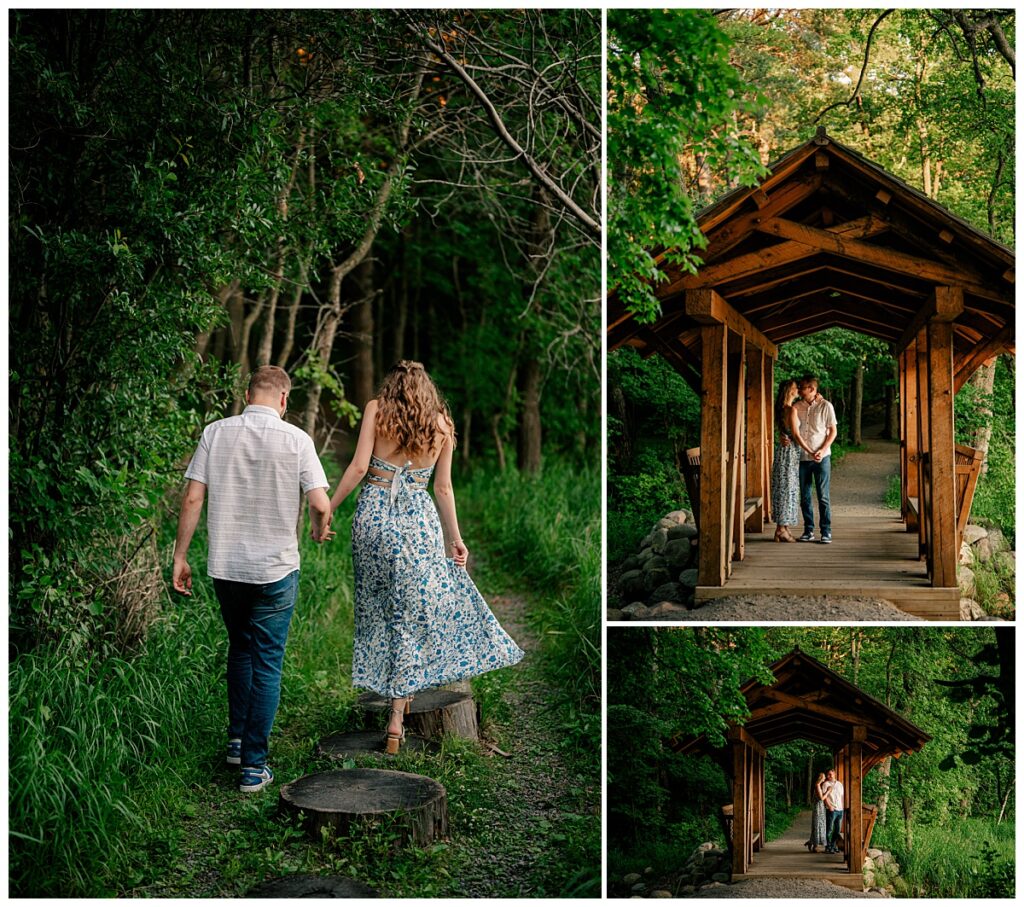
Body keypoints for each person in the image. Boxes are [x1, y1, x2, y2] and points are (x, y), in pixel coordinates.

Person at [327, 361, 524, 754]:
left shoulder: (375, 409)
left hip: (374, 518)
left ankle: (392, 694)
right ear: (428, 390)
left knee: (379, 608)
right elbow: (444, 489)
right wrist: (456, 538)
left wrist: (329, 507)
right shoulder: (443, 425)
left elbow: (360, 466)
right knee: (411, 615)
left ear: (392, 386)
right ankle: (397, 718)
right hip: (418, 524)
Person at [172, 366, 332, 793]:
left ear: (247, 394)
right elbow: (320, 501)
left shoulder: (215, 432)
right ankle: (252, 767)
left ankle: (236, 741)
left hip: (227, 567)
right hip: (275, 570)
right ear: (284, 399)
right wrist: (319, 528)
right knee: (267, 662)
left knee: (240, 647)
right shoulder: (297, 439)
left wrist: (180, 556)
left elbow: (192, 496)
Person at [793, 375, 838, 544]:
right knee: (804, 496)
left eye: (802, 387)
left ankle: (826, 531)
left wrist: (822, 450)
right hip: (803, 457)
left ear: (812, 389)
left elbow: (833, 431)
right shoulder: (796, 407)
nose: (799, 390)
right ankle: (808, 530)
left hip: (822, 457)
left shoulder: (826, 406)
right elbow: (794, 431)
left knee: (823, 496)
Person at [771, 379, 815, 542]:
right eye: (796, 388)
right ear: (790, 391)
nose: (798, 390)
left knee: (784, 488)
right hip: (790, 453)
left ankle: (783, 529)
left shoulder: (780, 409)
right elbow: (795, 435)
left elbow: (785, 431)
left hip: (783, 452)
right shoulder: (791, 410)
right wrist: (810, 450)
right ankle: (781, 529)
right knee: (787, 489)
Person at [805, 772, 829, 853]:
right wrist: (828, 791)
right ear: (820, 777)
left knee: (818, 825)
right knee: (818, 825)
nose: (825, 777)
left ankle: (812, 842)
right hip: (818, 809)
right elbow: (821, 798)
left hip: (820, 808)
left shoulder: (818, 785)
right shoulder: (817, 785)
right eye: (824, 776)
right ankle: (815, 846)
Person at [824, 767, 845, 853]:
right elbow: (824, 797)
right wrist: (829, 806)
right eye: (828, 774)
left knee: (837, 830)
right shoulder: (825, 784)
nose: (829, 776)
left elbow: (842, 796)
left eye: (830, 774)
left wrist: (843, 807)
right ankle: (828, 846)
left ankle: (833, 845)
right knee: (829, 829)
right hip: (831, 809)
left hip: (840, 810)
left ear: (834, 774)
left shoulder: (840, 784)